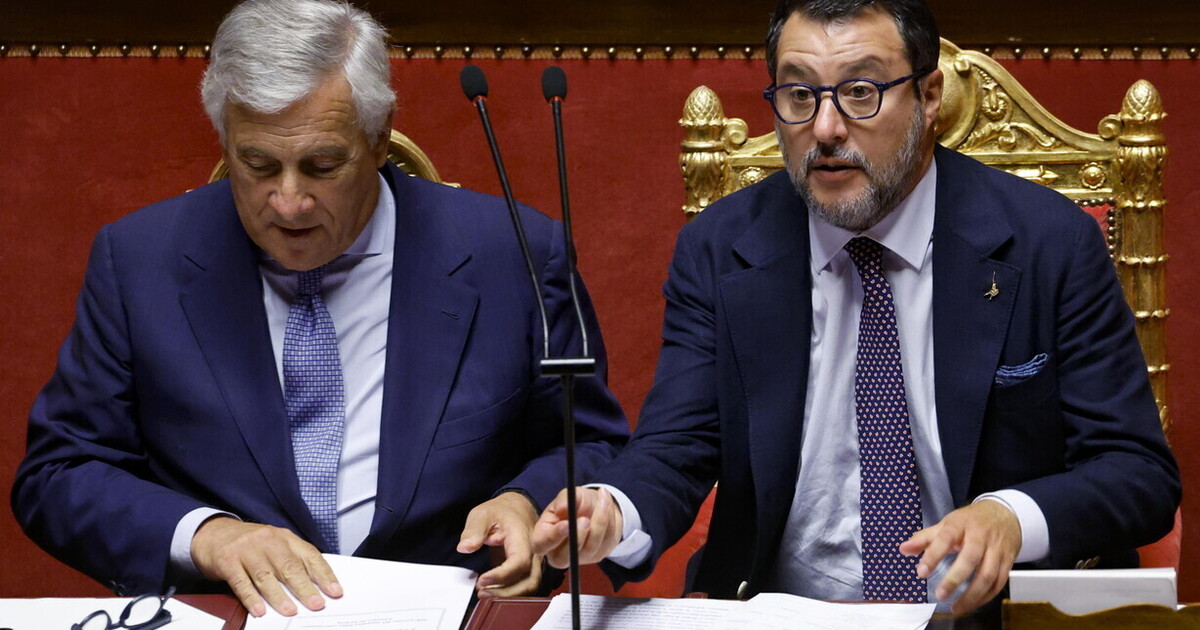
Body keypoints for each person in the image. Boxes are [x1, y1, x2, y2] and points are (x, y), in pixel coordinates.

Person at [532, 0, 1179, 615]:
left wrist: (1010, 516)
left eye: (861, 92)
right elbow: (678, 445)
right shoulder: (723, 248)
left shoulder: (1049, 243)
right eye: (799, 95)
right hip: (781, 615)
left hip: (985, 616)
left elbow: (1137, 472)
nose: (825, 129)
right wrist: (614, 510)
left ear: (929, 97)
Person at [11, 0, 627, 618]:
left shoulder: (514, 252)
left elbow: (593, 444)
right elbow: (59, 474)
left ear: (379, 138)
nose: (289, 202)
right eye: (257, 165)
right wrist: (205, 535)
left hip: (448, 614)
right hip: (235, 616)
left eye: (322, 165)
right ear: (225, 138)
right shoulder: (139, 260)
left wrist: (527, 500)